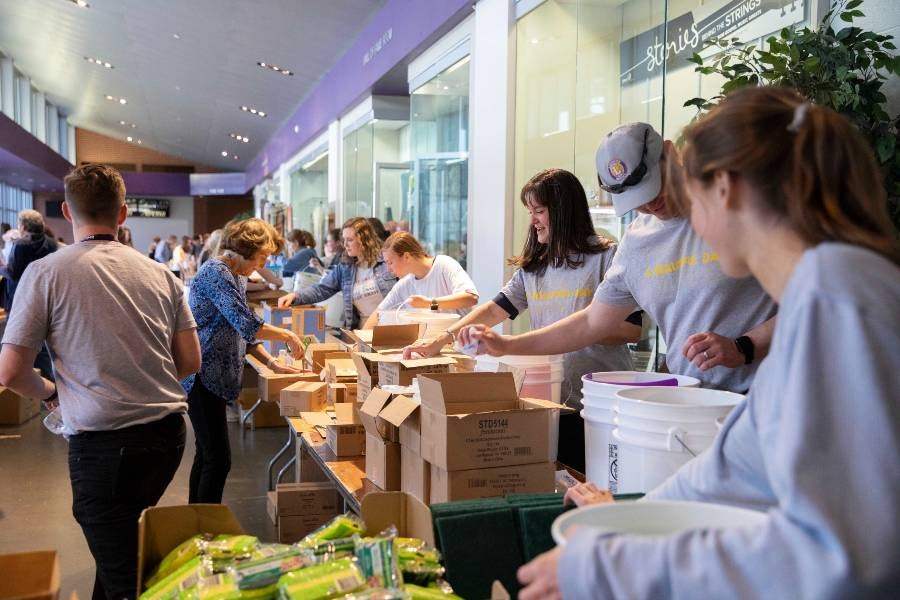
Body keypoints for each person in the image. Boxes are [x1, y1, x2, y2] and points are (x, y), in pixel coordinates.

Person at [517, 87, 900, 599]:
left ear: (727, 188)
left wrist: (614, 565)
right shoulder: (824, 292)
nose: (685, 220)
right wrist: (630, 518)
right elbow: (732, 467)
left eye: (693, 195)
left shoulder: (837, 294)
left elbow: (841, 558)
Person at [0, 164, 201, 600]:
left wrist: (51, 392)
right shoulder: (160, 274)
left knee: (126, 575)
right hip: (168, 436)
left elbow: (11, 372)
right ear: (123, 214)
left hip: (106, 445)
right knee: (120, 549)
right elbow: (189, 360)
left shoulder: (46, 273)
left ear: (69, 216)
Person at [460, 123, 777, 395]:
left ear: (671, 153)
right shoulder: (636, 245)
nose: (651, 205)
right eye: (638, 200)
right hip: (689, 400)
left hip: (765, 396)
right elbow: (590, 322)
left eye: (655, 188)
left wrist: (744, 347)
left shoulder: (741, 204)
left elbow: (814, 294)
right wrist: (506, 346)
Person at [404, 169, 638, 471]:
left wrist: (576, 328)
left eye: (539, 211)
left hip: (599, 407)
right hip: (550, 402)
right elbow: (492, 310)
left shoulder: (607, 257)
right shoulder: (534, 268)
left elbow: (632, 329)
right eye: (530, 212)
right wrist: (440, 340)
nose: (533, 220)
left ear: (565, 211)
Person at [182, 218, 306, 504]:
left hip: (217, 377)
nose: (262, 264)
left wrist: (272, 364)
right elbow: (247, 322)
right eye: (262, 257)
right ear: (246, 249)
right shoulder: (216, 272)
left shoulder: (236, 274)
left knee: (207, 455)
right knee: (217, 460)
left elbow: (243, 334)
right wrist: (286, 335)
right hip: (202, 376)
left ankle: (195, 520)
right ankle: (205, 528)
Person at [277, 217, 397, 329]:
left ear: (365, 240)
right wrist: (295, 296)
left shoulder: (387, 261)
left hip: (391, 330)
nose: (345, 245)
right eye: (344, 240)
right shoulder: (345, 268)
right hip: (362, 333)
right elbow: (322, 289)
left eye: (350, 240)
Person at [362, 231, 478, 328]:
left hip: (461, 346)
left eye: (390, 262)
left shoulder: (443, 265)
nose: (388, 269)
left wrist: (429, 303)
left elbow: (471, 298)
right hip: (431, 348)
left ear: (406, 257)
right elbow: (379, 314)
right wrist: (359, 343)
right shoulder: (404, 284)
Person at [0, 209, 59, 380]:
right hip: (45, 299)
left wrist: (1, 267)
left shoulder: (20, 244)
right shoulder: (51, 243)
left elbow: (14, 273)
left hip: (20, 300)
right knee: (43, 346)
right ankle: (47, 383)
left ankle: (22, 387)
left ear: (23, 225)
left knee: (16, 342)